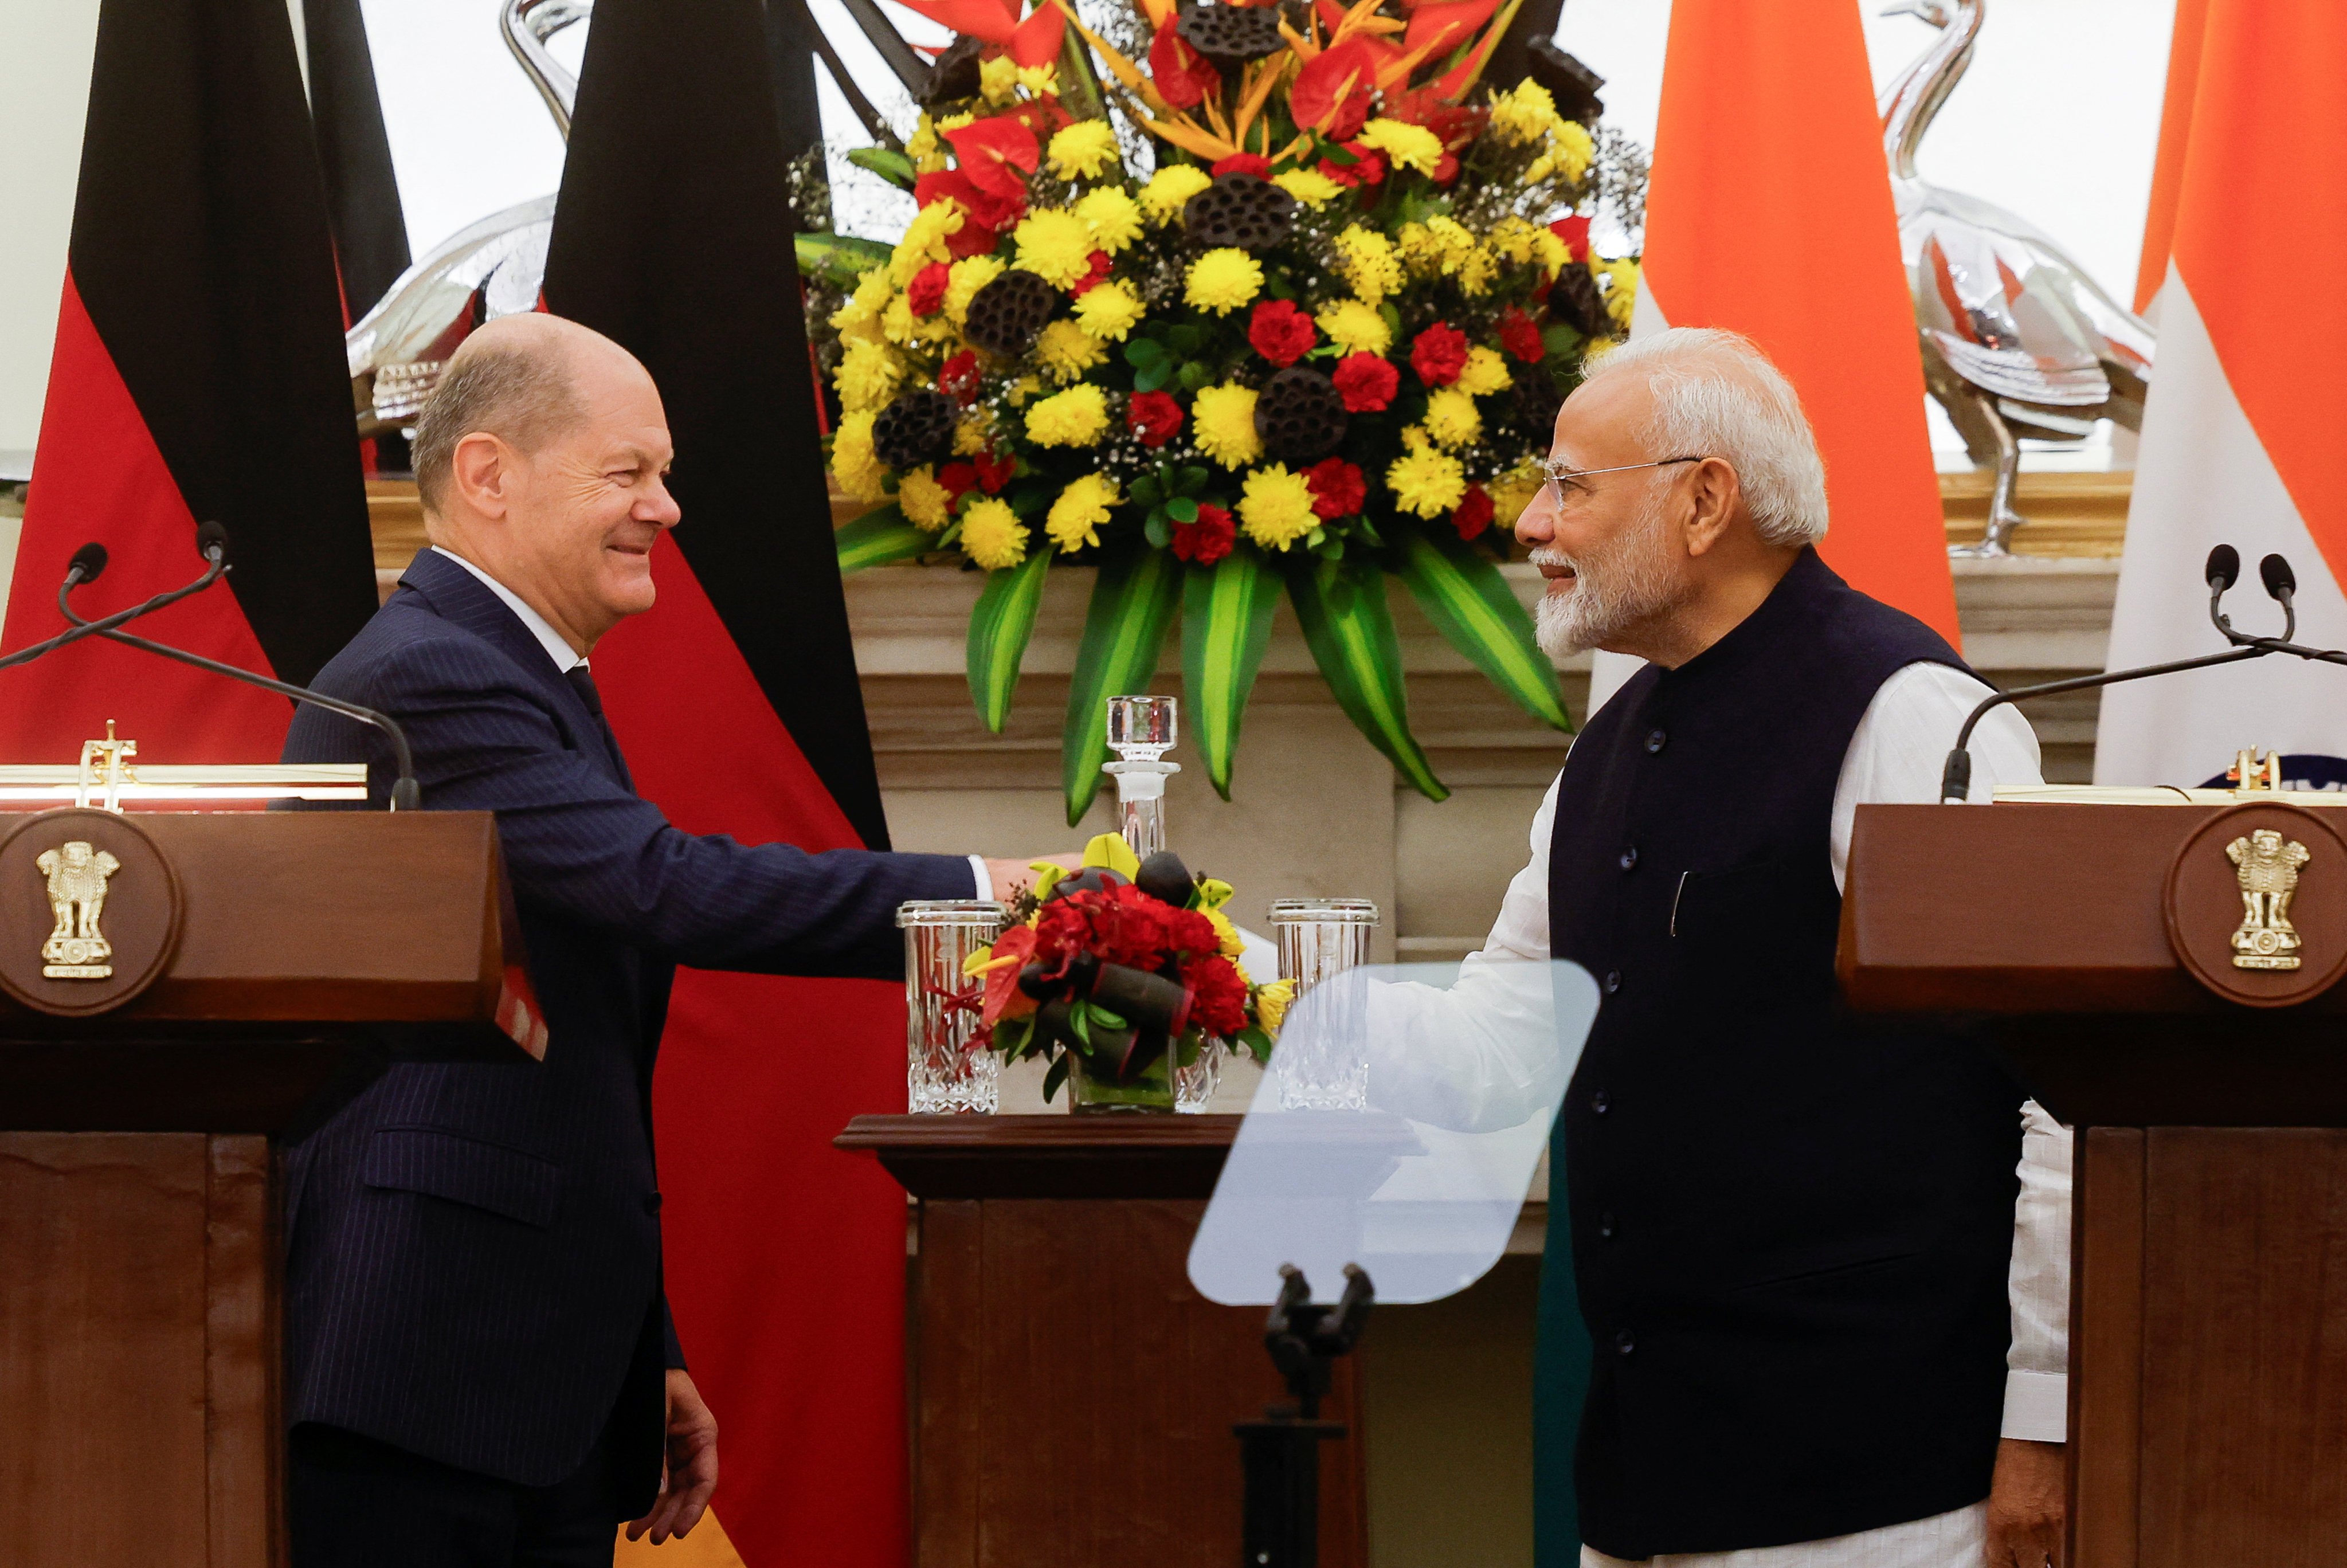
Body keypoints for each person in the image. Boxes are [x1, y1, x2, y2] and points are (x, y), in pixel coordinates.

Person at [277, 314, 1064, 1566]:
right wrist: (992, 894)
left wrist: (646, 1353)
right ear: (487, 476)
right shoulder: (431, 674)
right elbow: (665, 887)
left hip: (523, 1369)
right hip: (425, 1367)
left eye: (664, 472)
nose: (668, 508)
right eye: (627, 473)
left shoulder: (523, 676)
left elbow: (568, 1068)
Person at [1484, 328, 2072, 1568]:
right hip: (1645, 1487)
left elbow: (2056, 1099)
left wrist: (2043, 1418)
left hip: (1877, 1498)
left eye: (1568, 486)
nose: (1534, 525)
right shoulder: (1599, 751)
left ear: (1704, 500)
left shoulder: (1912, 717)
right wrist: (1218, 984)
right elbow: (1490, 1025)